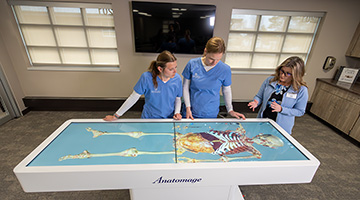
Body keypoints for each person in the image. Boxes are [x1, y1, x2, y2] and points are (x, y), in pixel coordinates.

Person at [104, 50, 182, 121]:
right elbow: (133, 97)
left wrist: (177, 112)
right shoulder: (146, 78)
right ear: (160, 69)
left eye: (176, 67)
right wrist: (116, 116)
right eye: (171, 69)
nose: (175, 71)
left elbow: (178, 98)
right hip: (149, 118)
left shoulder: (177, 79)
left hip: (168, 119)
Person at [182, 36, 245, 120]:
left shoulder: (225, 69)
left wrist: (230, 110)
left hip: (210, 112)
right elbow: (185, 87)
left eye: (218, 59)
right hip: (190, 111)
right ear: (205, 51)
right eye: (211, 59)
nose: (214, 63)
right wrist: (188, 108)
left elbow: (226, 90)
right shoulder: (192, 64)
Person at [248, 56, 308, 134]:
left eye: (288, 74)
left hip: (282, 127)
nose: (282, 75)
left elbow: (300, 111)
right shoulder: (270, 80)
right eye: (282, 71)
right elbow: (259, 96)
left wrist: (281, 109)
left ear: (295, 75)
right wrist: (256, 102)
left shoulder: (301, 90)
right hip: (263, 122)